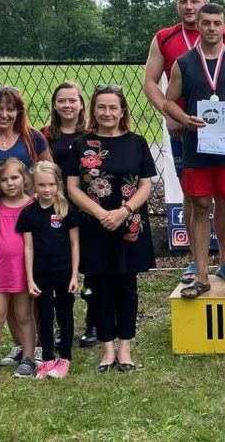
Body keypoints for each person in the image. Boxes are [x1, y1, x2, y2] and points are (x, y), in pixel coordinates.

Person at [143, 0, 225, 285]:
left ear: (205, 3)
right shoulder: (164, 38)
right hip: (183, 131)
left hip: (221, 130)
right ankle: (195, 261)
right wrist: (170, 114)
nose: (189, 6)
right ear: (177, 4)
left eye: (195, 1)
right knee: (193, 195)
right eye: (183, 1)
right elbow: (150, 82)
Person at [164, 3, 225, 298]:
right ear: (199, 26)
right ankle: (202, 277)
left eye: (216, 23)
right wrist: (184, 119)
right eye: (205, 23)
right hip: (197, 148)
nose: (210, 28)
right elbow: (168, 101)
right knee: (201, 207)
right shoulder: (183, 63)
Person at [67, 85, 156, 374]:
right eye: (101, 107)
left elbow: (145, 184)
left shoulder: (137, 143)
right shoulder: (80, 145)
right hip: (95, 227)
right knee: (100, 289)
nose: (107, 113)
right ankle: (107, 351)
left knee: (127, 289)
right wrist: (100, 213)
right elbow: (72, 187)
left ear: (122, 111)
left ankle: (125, 349)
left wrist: (124, 211)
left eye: (113, 107)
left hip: (129, 226)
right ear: (93, 110)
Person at [42, 81, 97, 348]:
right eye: (62, 101)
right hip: (56, 208)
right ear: (54, 105)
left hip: (87, 207)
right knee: (60, 268)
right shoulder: (45, 135)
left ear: (81, 105)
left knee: (91, 266)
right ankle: (62, 325)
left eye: (72, 100)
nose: (67, 105)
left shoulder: (91, 133)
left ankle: (94, 322)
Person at [0, 158, 38, 378]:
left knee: (24, 315)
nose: (10, 183)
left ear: (25, 178)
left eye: (14, 177)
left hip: (23, 270)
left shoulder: (33, 204)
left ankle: (28, 358)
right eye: (4, 180)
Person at [18, 162, 80, 379]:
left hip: (64, 272)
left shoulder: (66, 210)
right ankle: (47, 359)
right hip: (40, 273)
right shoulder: (28, 214)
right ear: (33, 185)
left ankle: (65, 358)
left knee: (65, 314)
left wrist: (74, 275)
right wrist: (30, 279)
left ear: (58, 184)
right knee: (44, 315)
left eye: (51, 184)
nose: (46, 189)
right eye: (41, 185)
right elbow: (28, 247)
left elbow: (74, 244)